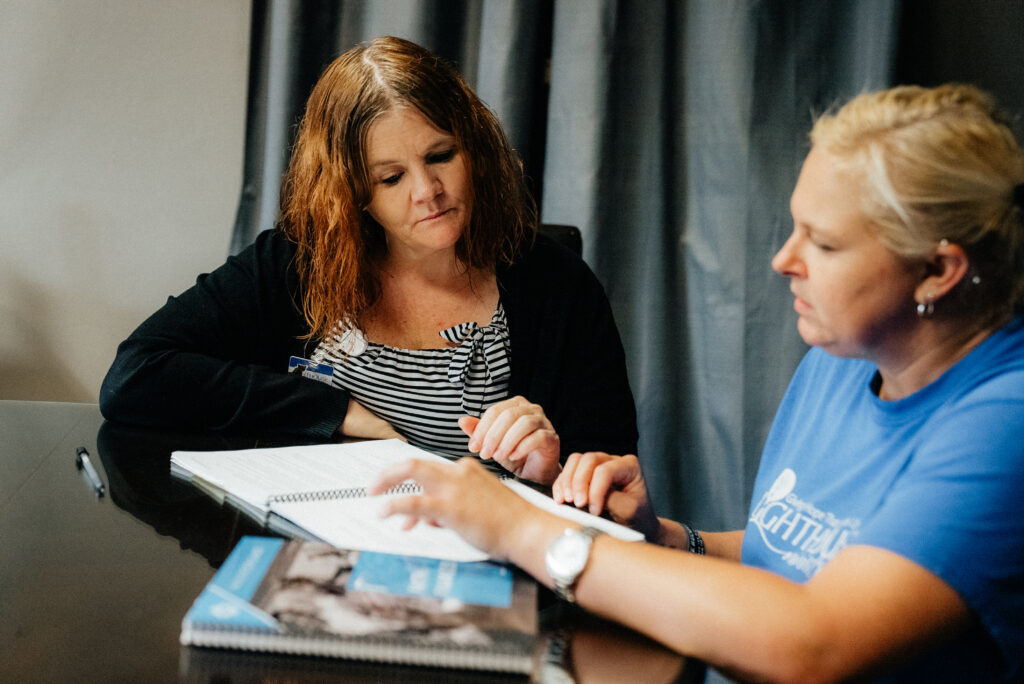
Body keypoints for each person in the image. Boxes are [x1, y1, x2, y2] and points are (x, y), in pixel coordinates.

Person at [370, 84, 1024, 682]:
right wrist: (667, 539)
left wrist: (519, 528)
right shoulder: (846, 354)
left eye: (823, 245)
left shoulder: (1005, 423)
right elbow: (792, 559)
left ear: (938, 270)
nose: (783, 260)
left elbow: (818, 640)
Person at [99, 36, 637, 485]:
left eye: (440, 155)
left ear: (473, 148)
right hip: (318, 551)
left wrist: (548, 470)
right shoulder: (300, 261)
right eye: (391, 177)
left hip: (484, 569)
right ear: (353, 192)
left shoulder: (558, 286)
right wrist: (338, 414)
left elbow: (613, 492)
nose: (427, 190)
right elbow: (134, 375)